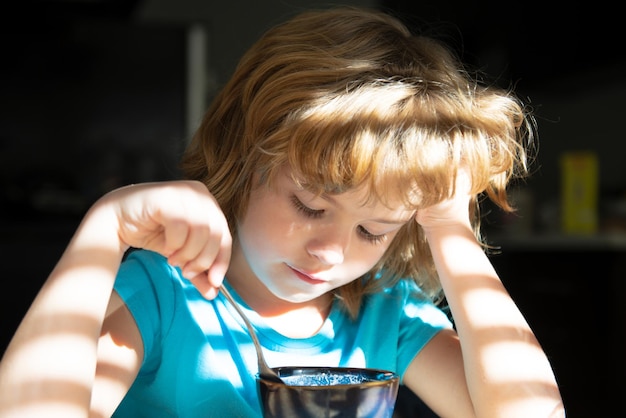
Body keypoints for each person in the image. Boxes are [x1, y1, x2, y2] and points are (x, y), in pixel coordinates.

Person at [0, 6, 565, 418]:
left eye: (373, 230)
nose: (331, 251)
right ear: (245, 156)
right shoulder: (164, 295)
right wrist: (105, 229)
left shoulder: (386, 314)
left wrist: (449, 229)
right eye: (310, 204)